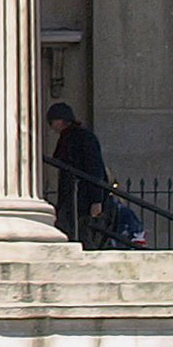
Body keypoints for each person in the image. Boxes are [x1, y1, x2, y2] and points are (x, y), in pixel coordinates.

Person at [46, 102, 112, 246]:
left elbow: (95, 168)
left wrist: (96, 200)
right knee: (71, 229)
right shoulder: (70, 137)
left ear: (60, 121)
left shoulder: (82, 138)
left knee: (81, 232)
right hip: (73, 194)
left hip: (82, 195)